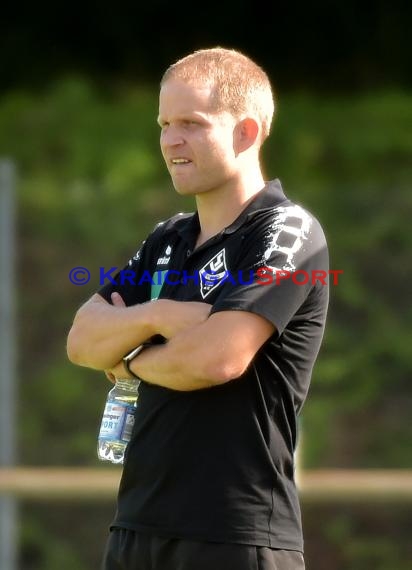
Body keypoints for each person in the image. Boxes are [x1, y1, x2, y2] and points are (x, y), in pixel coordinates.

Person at [67, 47, 329, 570]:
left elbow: (217, 359)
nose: (170, 140)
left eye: (191, 123)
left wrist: (130, 360)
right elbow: (82, 340)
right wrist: (157, 316)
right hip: (135, 529)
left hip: (236, 535)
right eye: (164, 124)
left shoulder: (287, 231)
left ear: (246, 132)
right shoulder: (168, 237)